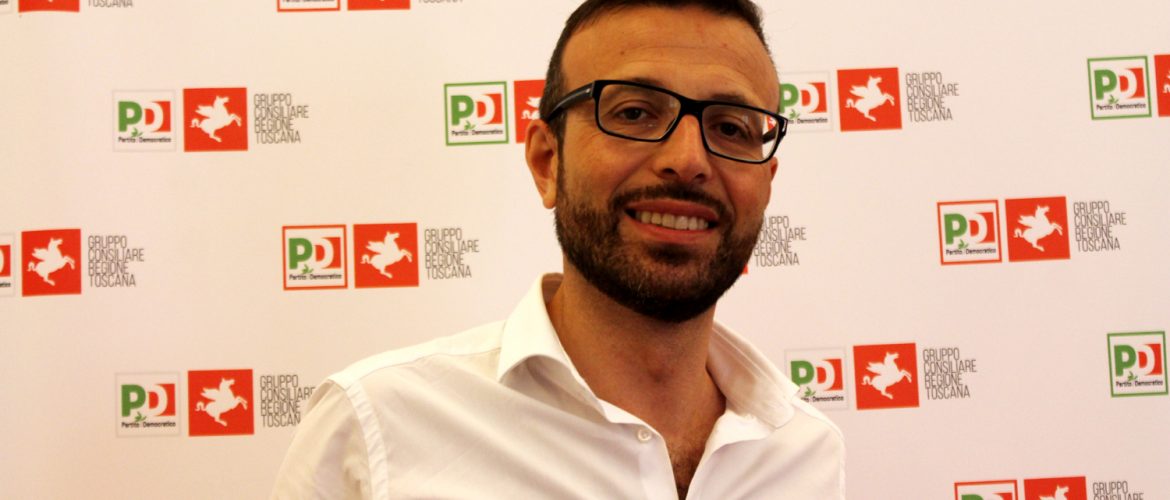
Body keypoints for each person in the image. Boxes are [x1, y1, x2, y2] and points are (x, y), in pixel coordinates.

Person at [271, 0, 844, 498]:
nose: (688, 160)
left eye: (731, 127)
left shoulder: (806, 452)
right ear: (547, 163)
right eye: (635, 113)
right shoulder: (377, 427)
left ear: (766, 182)